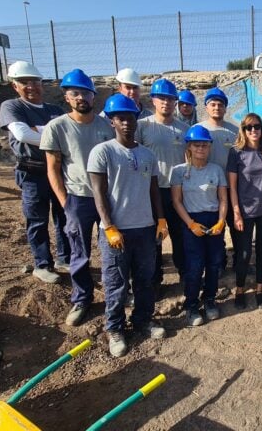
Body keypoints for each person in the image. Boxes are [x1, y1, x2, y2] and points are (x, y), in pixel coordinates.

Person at [88, 94, 168, 358]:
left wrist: (161, 219)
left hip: (145, 229)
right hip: (116, 232)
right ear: (111, 121)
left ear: (136, 119)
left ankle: (143, 320)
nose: (126, 122)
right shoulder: (103, 152)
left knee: (145, 280)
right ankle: (115, 329)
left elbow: (154, 190)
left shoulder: (146, 154)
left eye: (130, 117)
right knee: (116, 283)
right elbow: (98, 193)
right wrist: (109, 226)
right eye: (120, 118)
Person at [42, 68, 115, 327]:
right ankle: (82, 298)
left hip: (106, 199)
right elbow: (53, 167)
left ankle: (115, 294)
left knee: (112, 250)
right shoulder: (57, 127)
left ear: (93, 97)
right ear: (67, 97)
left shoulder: (107, 126)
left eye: (85, 92)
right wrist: (64, 202)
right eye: (75, 93)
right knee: (79, 253)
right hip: (78, 198)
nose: (81, 97)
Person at [0, 60, 69, 284]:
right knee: (37, 219)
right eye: (24, 82)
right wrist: (53, 138)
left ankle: (64, 259)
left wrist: (39, 132)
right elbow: (23, 135)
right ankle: (42, 264)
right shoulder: (13, 107)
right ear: (15, 86)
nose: (31, 86)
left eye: (35, 81)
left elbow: (67, 137)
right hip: (33, 173)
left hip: (58, 171)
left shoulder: (54, 110)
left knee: (64, 216)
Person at [170, 125, 227, 327]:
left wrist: (221, 221)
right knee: (194, 267)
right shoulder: (178, 171)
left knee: (213, 265)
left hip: (214, 221)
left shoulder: (216, 170)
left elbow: (223, 199)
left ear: (210, 147)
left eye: (205, 145)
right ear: (189, 147)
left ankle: (209, 300)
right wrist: (190, 223)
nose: (201, 149)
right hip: (191, 221)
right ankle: (191, 305)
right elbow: (176, 201)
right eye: (197, 145)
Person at [136, 78, 189, 286]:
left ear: (175, 102)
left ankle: (185, 274)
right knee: (153, 239)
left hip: (177, 191)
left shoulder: (183, 129)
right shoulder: (142, 126)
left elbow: (189, 159)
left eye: (170, 99)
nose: (166, 102)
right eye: (161, 98)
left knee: (180, 236)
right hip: (151, 190)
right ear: (153, 101)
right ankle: (155, 280)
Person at [227, 113, 262, 310]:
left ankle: (259, 289)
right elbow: (232, 186)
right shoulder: (236, 152)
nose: (254, 130)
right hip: (245, 211)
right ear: (243, 130)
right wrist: (236, 212)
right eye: (249, 127)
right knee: (244, 253)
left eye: (257, 126)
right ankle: (240, 289)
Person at [198, 87, 239, 274]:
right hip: (208, 190)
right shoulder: (198, 130)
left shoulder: (235, 131)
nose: (216, 108)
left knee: (237, 227)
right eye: (212, 104)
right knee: (216, 229)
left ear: (225, 108)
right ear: (206, 107)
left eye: (220, 105)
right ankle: (218, 263)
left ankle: (239, 262)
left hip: (232, 188)